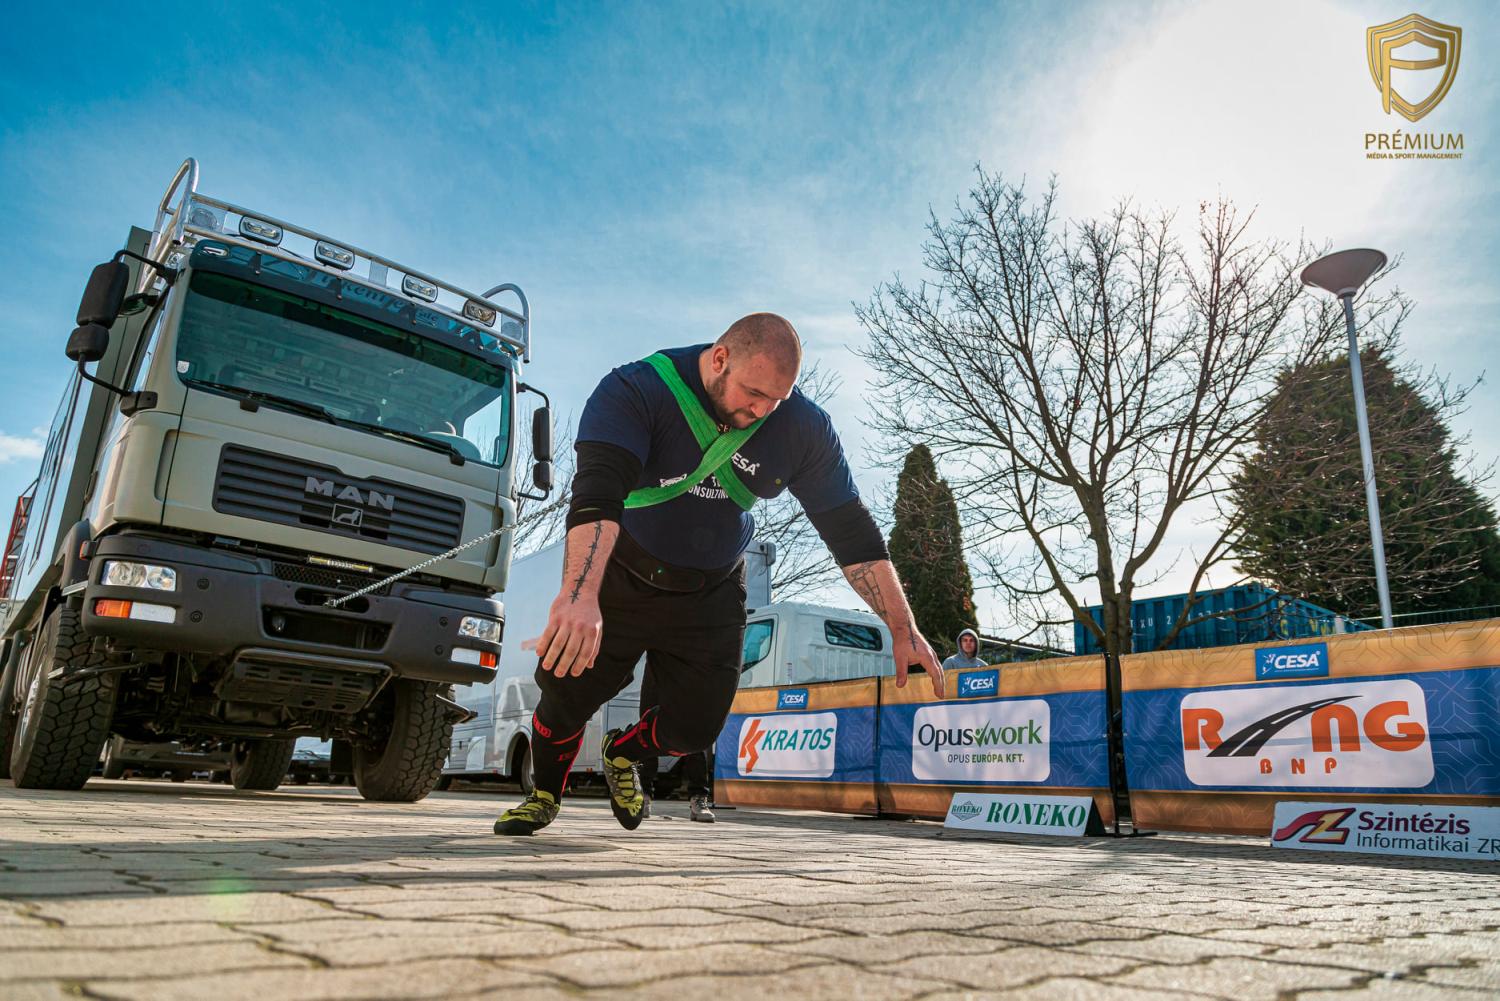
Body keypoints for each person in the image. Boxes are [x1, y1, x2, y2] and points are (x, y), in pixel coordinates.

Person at [493, 313, 946, 836]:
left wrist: (902, 627)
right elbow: (597, 497)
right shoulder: (636, 390)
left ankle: (623, 752)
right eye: (753, 393)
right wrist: (579, 596)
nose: (761, 411)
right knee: (566, 692)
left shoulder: (803, 428)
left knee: (696, 727)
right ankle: (544, 795)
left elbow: (851, 532)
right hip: (623, 576)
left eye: (775, 400)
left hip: (710, 588)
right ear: (720, 359)